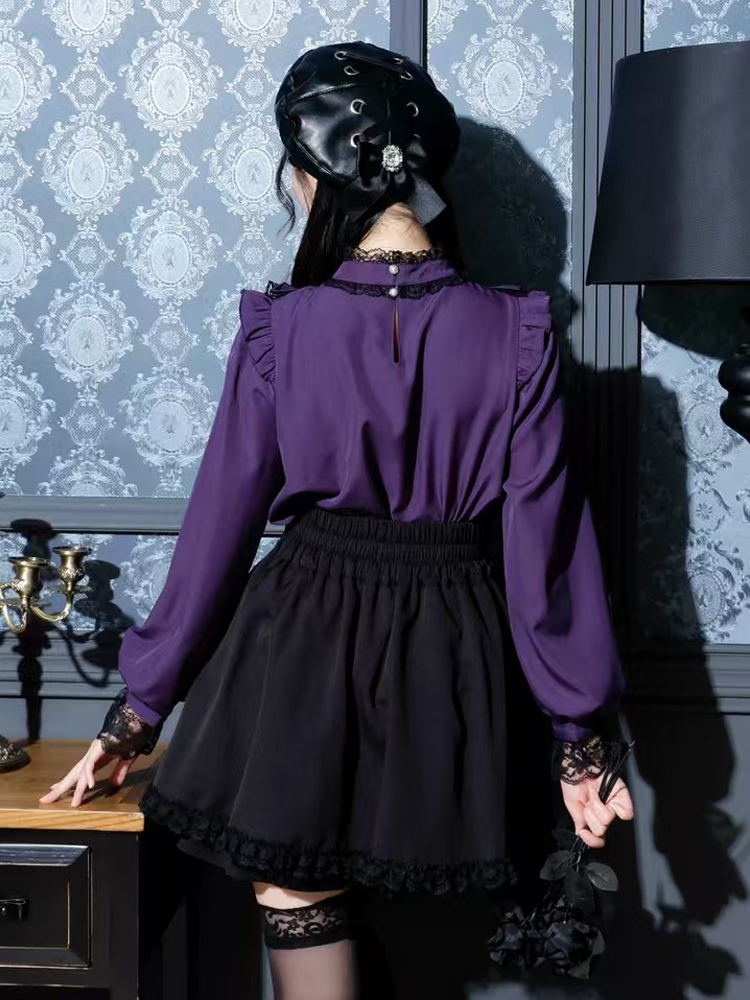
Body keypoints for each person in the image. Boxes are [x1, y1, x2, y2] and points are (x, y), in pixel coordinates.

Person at [40, 40, 634, 998]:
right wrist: (580, 743)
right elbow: (547, 551)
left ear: (307, 177)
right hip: (457, 649)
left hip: (300, 642)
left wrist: (135, 715)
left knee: (294, 887)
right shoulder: (517, 331)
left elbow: (218, 534)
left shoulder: (281, 330)